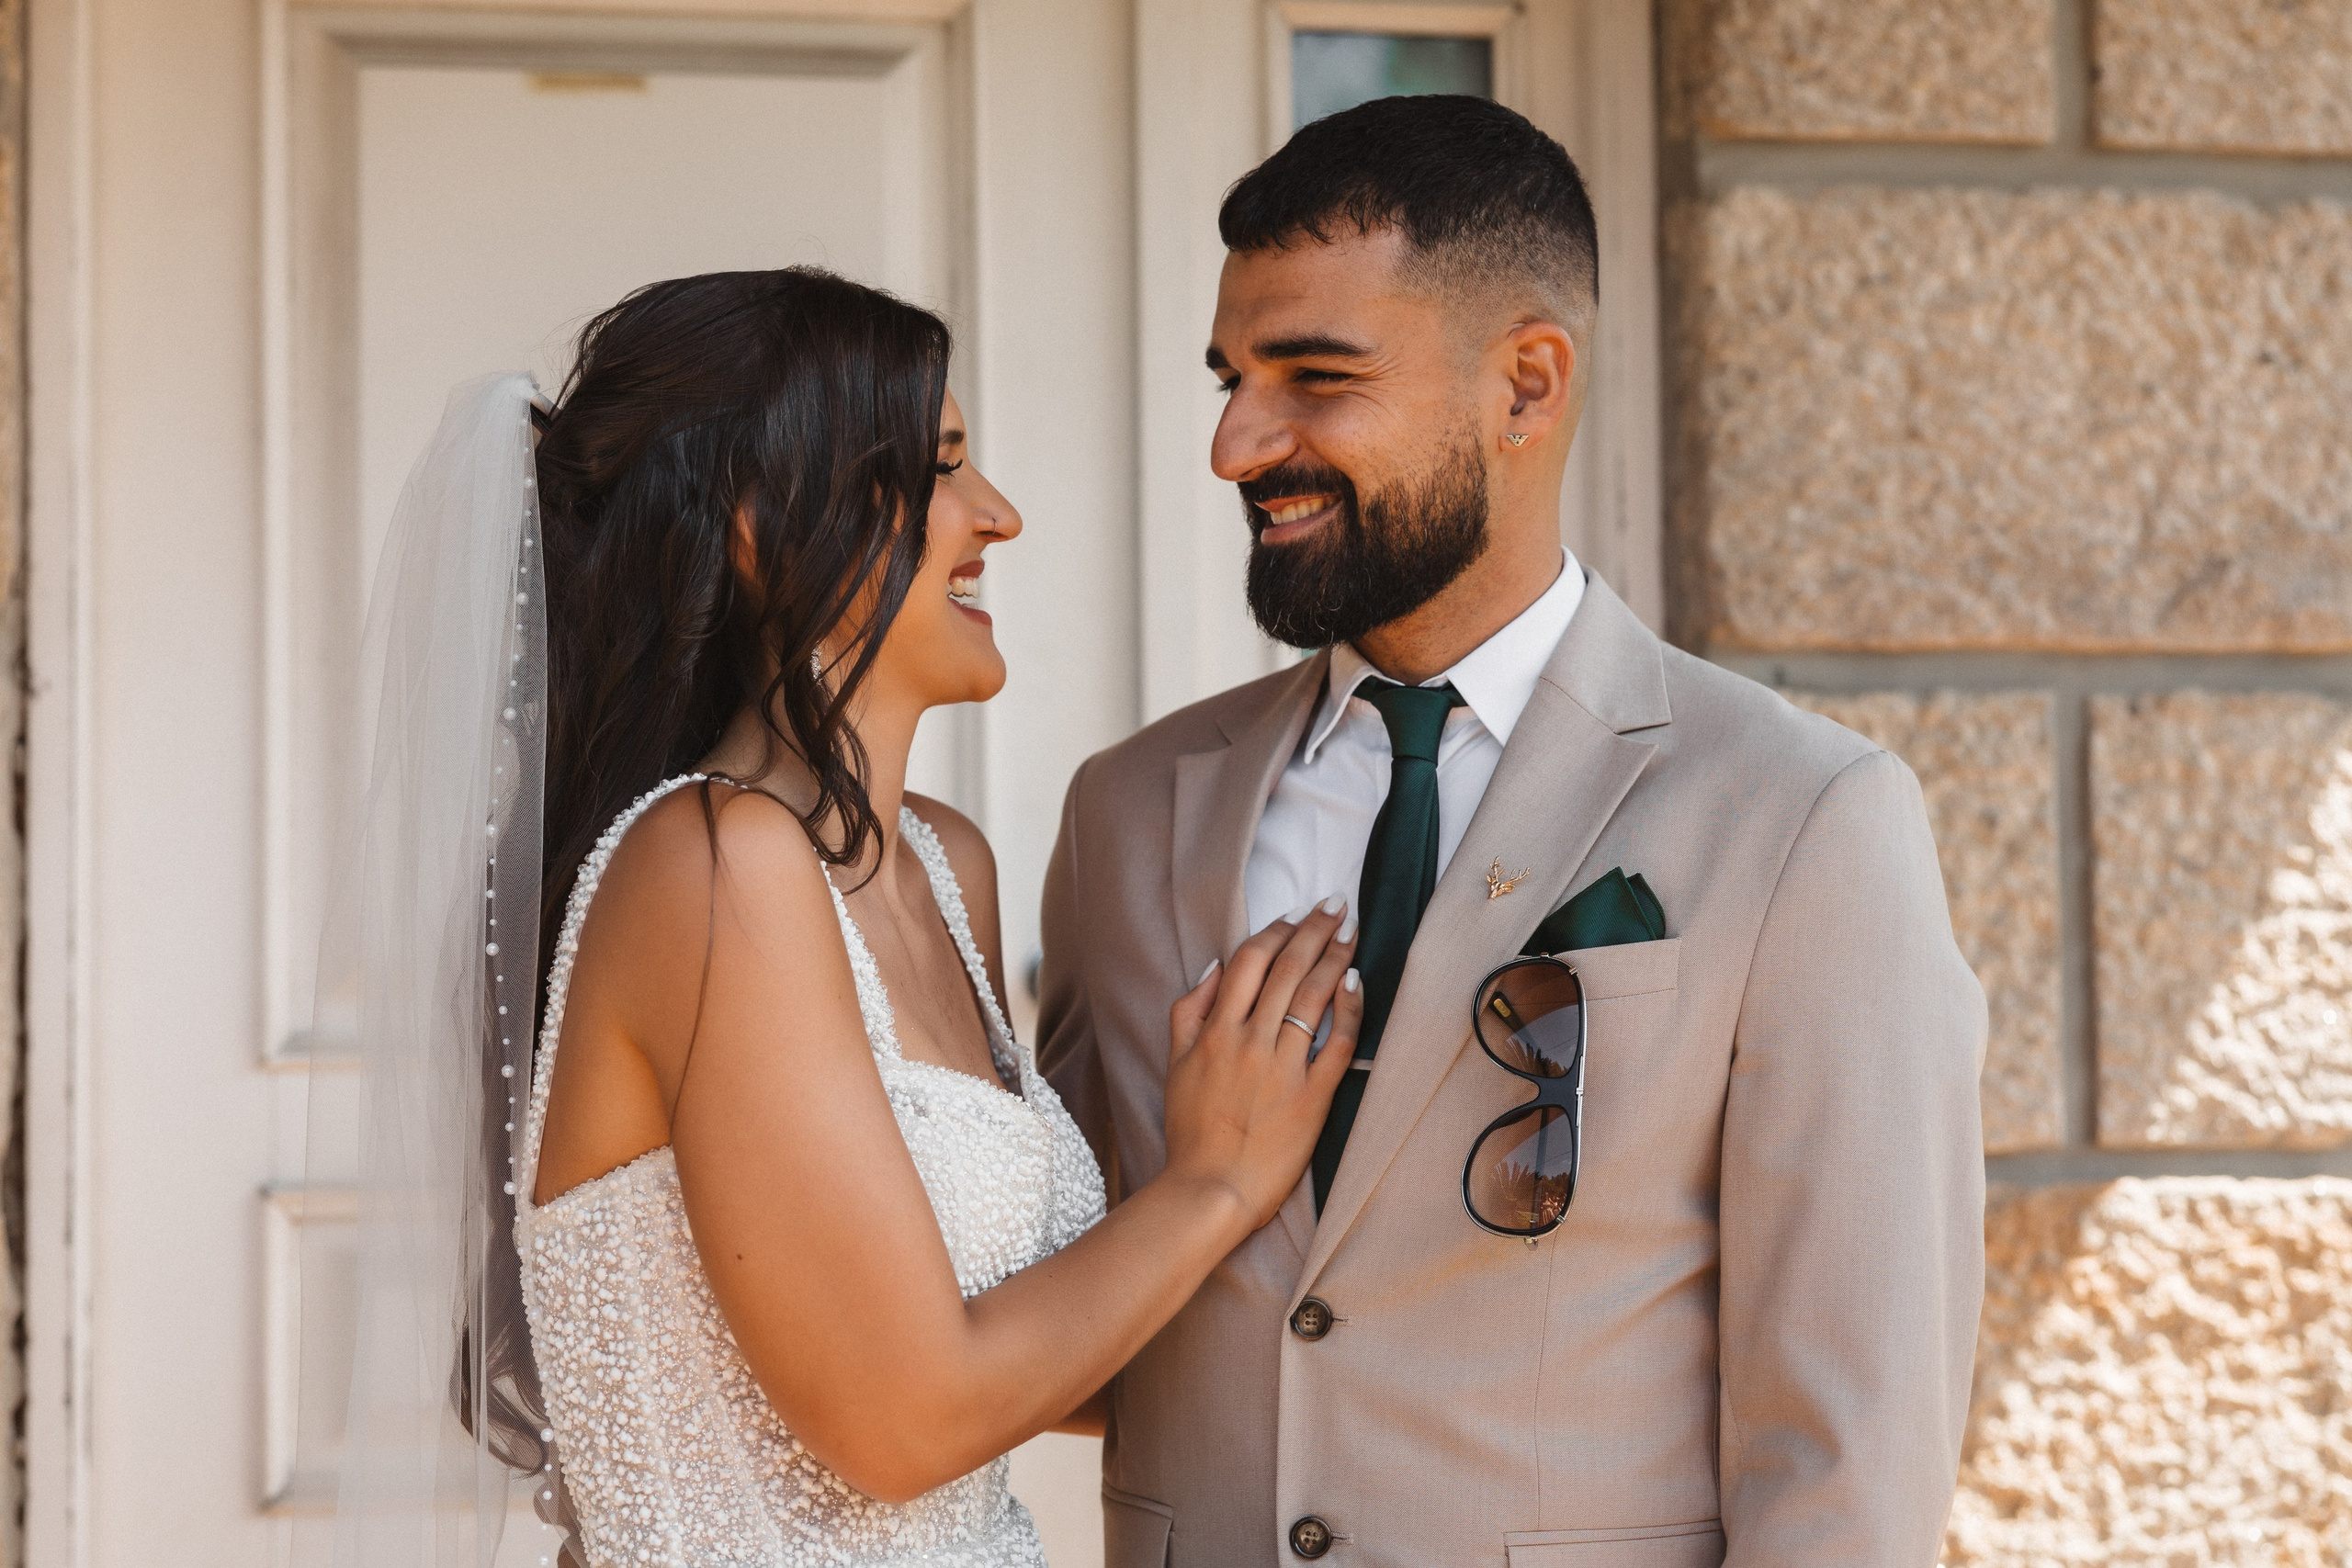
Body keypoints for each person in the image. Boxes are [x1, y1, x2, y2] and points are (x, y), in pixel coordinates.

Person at [1037, 96, 1988, 1567]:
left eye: (1315, 377)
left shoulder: (1805, 817)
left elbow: (1848, 1451)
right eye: (1230, 379)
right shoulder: (1127, 808)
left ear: (1527, 386)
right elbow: (1064, 1315)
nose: (1235, 444)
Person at [311, 267, 1363, 1568]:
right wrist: (1215, 1179)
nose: (998, 514)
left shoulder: (947, 868)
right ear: (759, 526)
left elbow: (1058, 1361)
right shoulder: (711, 866)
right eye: (940, 469)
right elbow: (906, 1420)